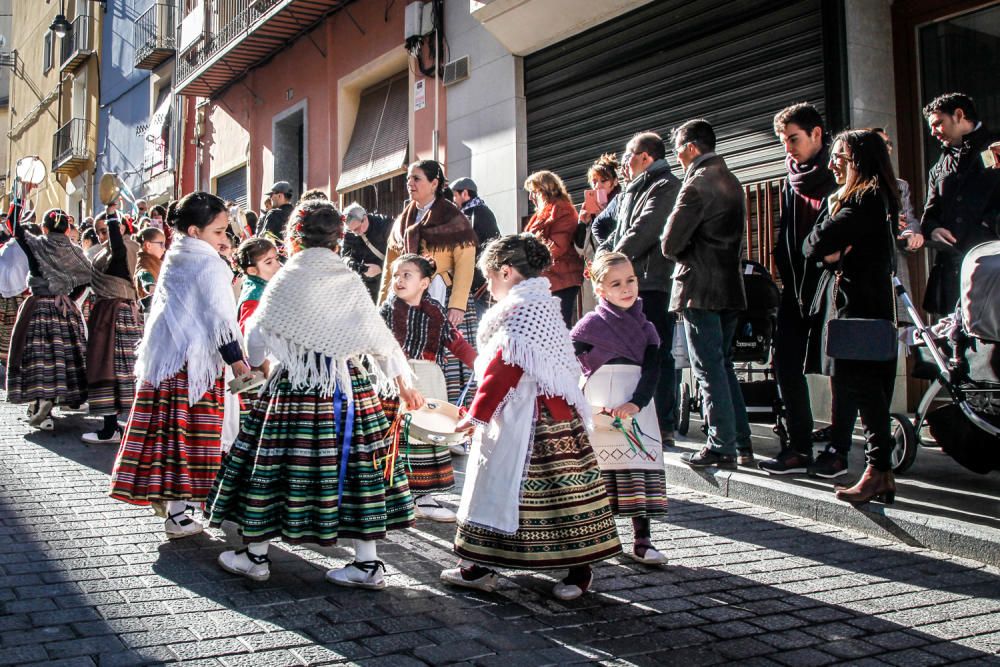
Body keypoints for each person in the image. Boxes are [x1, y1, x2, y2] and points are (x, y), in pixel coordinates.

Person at [206, 199, 422, 588]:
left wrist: (256, 364)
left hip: (295, 387)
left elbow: (257, 339)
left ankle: (255, 556)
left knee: (274, 467)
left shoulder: (287, 280)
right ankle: (367, 564)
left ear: (294, 237)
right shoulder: (349, 279)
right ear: (339, 238)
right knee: (358, 471)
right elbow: (377, 339)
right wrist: (403, 383)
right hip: (348, 389)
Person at [441, 233, 621, 600]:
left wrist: (477, 416)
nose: (487, 286)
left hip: (528, 416)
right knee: (560, 491)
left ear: (506, 272)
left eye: (489, 277)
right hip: (553, 414)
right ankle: (569, 567)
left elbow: (506, 366)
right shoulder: (543, 303)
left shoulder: (521, 310)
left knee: (506, 486)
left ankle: (490, 566)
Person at [109, 192, 250, 540]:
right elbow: (220, 320)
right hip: (195, 366)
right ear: (194, 230)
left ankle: (176, 512)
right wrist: (238, 363)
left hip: (167, 363)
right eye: (218, 232)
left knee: (172, 440)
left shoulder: (176, 256)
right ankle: (194, 509)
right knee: (195, 440)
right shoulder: (207, 263)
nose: (224, 239)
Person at [802, 129, 900, 505]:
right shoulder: (870, 200)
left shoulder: (863, 200)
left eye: (839, 157)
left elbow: (813, 245)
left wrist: (833, 253)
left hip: (858, 306)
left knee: (864, 389)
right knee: (866, 388)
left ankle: (878, 470)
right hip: (864, 303)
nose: (832, 165)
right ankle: (881, 472)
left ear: (858, 160)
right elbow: (818, 246)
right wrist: (834, 250)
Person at [661, 119, 753, 469]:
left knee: (707, 368)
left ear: (690, 148)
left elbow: (670, 243)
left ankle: (720, 445)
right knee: (724, 366)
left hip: (699, 286)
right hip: (731, 284)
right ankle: (741, 443)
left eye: (677, 150)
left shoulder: (696, 184)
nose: (677, 157)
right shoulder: (732, 181)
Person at [571, 252, 667, 564]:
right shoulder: (589, 326)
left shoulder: (647, 329)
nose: (626, 288)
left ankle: (642, 539)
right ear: (600, 290)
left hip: (635, 406)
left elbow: (653, 371)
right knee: (599, 470)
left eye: (631, 280)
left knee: (637, 466)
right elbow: (568, 363)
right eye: (616, 283)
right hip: (599, 403)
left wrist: (637, 402)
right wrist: (582, 403)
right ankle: (597, 539)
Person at [761, 103, 839, 475]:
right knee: (785, 364)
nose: (787, 149)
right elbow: (785, 231)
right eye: (783, 141)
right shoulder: (792, 177)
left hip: (831, 285)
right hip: (795, 288)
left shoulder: (838, 174)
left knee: (840, 367)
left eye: (793, 139)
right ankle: (799, 447)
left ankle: (838, 449)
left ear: (817, 135)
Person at [378, 253, 478, 523]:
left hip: (431, 377)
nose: (399, 280)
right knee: (399, 439)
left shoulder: (435, 311)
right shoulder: (386, 310)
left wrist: (480, 364)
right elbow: (380, 349)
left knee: (429, 438)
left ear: (424, 282)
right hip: (397, 380)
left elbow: (455, 342)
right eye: (396, 275)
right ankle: (394, 497)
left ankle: (424, 497)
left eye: (407, 275)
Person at [599, 131, 681, 444]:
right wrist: (605, 258)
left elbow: (644, 230)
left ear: (644, 157)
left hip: (652, 282)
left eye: (627, 157)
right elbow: (616, 229)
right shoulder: (634, 188)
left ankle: (663, 422)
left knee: (656, 352)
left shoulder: (665, 186)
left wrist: (610, 262)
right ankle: (636, 416)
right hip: (626, 282)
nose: (623, 165)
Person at [378, 160, 480, 409]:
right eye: (409, 179)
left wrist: (457, 305)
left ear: (434, 183)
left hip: (444, 296)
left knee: (451, 357)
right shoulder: (403, 220)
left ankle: (452, 416)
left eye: (417, 179)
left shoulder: (454, 217)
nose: (410, 183)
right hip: (405, 299)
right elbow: (390, 267)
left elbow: (465, 264)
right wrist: (381, 302)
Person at [6, 205, 92, 431]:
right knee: (63, 357)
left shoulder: (36, 244)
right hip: (63, 309)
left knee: (37, 356)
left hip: (37, 307)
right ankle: (51, 401)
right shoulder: (74, 251)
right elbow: (86, 277)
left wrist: (20, 201)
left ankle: (41, 405)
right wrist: (70, 296)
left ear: (44, 228)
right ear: (67, 230)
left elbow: (14, 226)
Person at [920, 92, 1000, 316]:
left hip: (992, 263)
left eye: (938, 124)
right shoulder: (939, 166)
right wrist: (933, 230)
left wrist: (988, 226)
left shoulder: (996, 145)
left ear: (958, 115)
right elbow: (929, 215)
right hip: (953, 271)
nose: (933, 132)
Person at [82, 211, 143, 445]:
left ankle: (111, 429)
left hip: (118, 316)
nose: (102, 235)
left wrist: (111, 215)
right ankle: (113, 425)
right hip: (108, 313)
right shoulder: (103, 253)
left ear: (122, 229)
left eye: (106, 230)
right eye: (98, 231)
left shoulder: (125, 249)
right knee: (107, 367)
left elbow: (117, 250)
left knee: (115, 368)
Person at [523, 171, 585, 326]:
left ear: (545, 190)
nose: (531, 197)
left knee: (558, 328)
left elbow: (557, 247)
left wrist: (530, 253)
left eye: (534, 192)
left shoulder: (562, 210)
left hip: (561, 279)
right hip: (548, 279)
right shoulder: (542, 212)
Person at [451, 177, 500, 317]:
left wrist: (482, 277)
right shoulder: (467, 214)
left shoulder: (480, 213)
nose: (453, 200)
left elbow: (493, 245)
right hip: (471, 282)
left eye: (455, 195)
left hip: (479, 284)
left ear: (465, 194)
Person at [342, 203, 392, 302]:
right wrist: (352, 264)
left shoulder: (384, 225)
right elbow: (344, 256)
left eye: (357, 228)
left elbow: (399, 255)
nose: (357, 233)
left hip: (386, 280)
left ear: (365, 218)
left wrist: (381, 268)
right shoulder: (349, 232)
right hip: (364, 284)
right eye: (353, 231)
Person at [234, 237, 280, 331]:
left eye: (277, 259)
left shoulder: (264, 284)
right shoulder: (253, 300)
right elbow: (247, 334)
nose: (277, 265)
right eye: (269, 262)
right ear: (252, 270)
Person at [581, 154, 623, 248]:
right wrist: (583, 224)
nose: (597, 186)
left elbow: (621, 239)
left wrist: (603, 219)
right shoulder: (589, 206)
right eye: (594, 181)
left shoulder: (621, 202)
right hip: (598, 260)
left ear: (615, 181)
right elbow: (580, 249)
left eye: (603, 181)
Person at [134, 227, 166, 313]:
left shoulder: (155, 262)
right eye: (161, 244)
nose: (164, 249)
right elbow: (144, 274)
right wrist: (150, 286)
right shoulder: (144, 264)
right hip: (152, 312)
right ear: (148, 245)